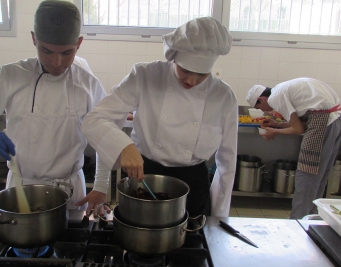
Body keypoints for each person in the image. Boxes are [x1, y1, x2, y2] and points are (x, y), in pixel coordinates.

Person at [0, 0, 110, 215]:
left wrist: (100, 187)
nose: (56, 62)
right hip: (21, 187)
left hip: (71, 190)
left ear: (79, 44)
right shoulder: (10, 76)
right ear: (34, 39)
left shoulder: (88, 84)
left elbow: (106, 139)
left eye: (66, 53)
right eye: (46, 51)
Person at [82, 17, 237, 217]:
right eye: (186, 70)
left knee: (191, 245)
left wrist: (220, 215)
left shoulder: (224, 96)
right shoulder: (145, 75)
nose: (191, 80)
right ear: (174, 57)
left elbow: (228, 161)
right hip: (144, 177)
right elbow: (95, 120)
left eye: (202, 74)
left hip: (193, 186)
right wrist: (124, 146)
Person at [246, 78, 341, 219]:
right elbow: (302, 123)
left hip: (322, 124)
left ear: (262, 99)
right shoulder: (281, 88)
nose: (263, 111)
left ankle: (298, 222)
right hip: (334, 121)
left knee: (307, 176)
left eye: (259, 107)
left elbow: (298, 128)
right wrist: (276, 125)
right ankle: (312, 219)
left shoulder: (275, 98)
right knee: (319, 177)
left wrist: (274, 132)